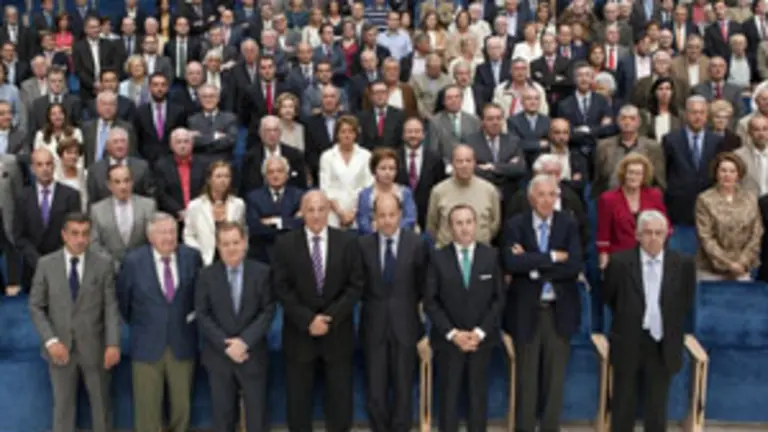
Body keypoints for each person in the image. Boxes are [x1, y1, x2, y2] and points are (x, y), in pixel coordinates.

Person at [272, 190, 364, 432]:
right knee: (299, 402)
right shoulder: (285, 244)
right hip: (300, 334)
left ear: (328, 212)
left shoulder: (347, 242)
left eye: (321, 209)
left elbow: (355, 286)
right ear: (302, 212)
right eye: (310, 210)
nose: (315, 215)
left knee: (340, 400)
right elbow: (281, 288)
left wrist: (329, 318)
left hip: (338, 333)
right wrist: (308, 320)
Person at [503, 174, 583, 432]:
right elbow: (511, 263)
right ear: (530, 198)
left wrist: (533, 265)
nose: (547, 200)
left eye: (552, 195)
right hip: (525, 310)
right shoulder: (515, 225)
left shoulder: (568, 224)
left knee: (554, 380)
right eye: (541, 194)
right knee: (526, 380)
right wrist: (550, 257)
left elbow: (573, 266)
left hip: (559, 311)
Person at [603, 210, 696, 432]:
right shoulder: (620, 262)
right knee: (623, 403)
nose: (653, 238)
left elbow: (685, 299)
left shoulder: (682, 264)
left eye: (658, 233)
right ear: (637, 235)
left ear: (667, 235)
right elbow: (609, 297)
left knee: (657, 407)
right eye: (648, 233)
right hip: (630, 339)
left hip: (663, 341)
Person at [28, 212, 120, 432]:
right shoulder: (46, 264)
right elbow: (35, 306)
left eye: (86, 234)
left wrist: (113, 343)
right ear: (64, 235)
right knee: (63, 410)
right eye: (75, 234)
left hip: (95, 348)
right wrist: (51, 341)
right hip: (60, 349)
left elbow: (110, 307)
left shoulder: (103, 264)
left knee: (102, 408)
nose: (81, 239)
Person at [117, 212, 203, 432]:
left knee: (182, 408)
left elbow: (199, 297)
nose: (168, 237)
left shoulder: (192, 257)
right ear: (150, 237)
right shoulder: (133, 262)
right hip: (146, 345)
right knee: (147, 411)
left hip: (182, 342)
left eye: (173, 232)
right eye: (162, 232)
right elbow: (124, 303)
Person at [423, 203, 505, 432]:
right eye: (459, 223)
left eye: (469, 222)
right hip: (448, 342)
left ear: (476, 224)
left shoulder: (491, 256)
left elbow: (498, 300)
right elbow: (431, 301)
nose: (465, 228)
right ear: (450, 227)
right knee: (448, 401)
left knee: (478, 400)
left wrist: (479, 333)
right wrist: (453, 334)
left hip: (482, 341)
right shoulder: (438, 258)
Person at [195, 221, 276, 432]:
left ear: (245, 243)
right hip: (219, 358)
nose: (231, 248)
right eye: (225, 244)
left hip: (252, 354)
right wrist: (226, 345)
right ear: (218, 246)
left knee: (257, 418)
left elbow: (268, 311)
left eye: (235, 242)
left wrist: (244, 342)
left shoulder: (262, 272)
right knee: (223, 418)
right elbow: (202, 315)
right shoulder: (206, 275)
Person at [358, 193, 428, 432]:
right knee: (376, 391)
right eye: (382, 216)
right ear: (373, 218)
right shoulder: (363, 245)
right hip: (374, 327)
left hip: (406, 326)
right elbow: (359, 286)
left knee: (403, 388)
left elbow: (423, 285)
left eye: (391, 215)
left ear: (400, 215)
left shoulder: (416, 244)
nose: (387, 221)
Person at [15, 148, 82, 289]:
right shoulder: (23, 197)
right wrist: (38, 261)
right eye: (39, 165)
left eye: (48, 164)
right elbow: (19, 237)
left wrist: (54, 261)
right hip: (32, 270)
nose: (45, 169)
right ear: (32, 169)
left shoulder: (71, 195)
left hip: (63, 268)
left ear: (54, 166)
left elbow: (75, 233)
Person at [695, 152, 763, 280]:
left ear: (738, 174)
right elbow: (705, 237)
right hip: (711, 270)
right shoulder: (704, 199)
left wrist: (742, 262)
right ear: (716, 173)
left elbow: (756, 233)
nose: (727, 175)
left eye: (732, 171)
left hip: (743, 268)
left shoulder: (750, 198)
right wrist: (729, 264)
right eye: (723, 171)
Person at [597, 153, 669, 270]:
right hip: (621, 258)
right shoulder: (608, 199)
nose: (633, 177)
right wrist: (604, 263)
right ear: (623, 174)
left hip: (650, 256)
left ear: (644, 176)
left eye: (638, 173)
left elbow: (666, 226)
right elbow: (603, 236)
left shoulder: (654, 195)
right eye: (630, 172)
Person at [426, 145, 501, 247]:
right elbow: (432, 226)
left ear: (474, 163)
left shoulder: (489, 190)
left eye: (468, 161)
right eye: (459, 161)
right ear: (452, 164)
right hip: (447, 253)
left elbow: (494, 224)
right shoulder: (438, 191)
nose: (464, 165)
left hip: (480, 253)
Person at [89, 164, 156, 269]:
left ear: (132, 182)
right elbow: (94, 244)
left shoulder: (148, 206)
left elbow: (154, 240)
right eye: (117, 182)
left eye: (126, 181)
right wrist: (114, 265)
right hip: (109, 270)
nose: (123, 186)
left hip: (141, 267)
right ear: (109, 185)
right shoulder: (97, 210)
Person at [184, 161, 246, 266]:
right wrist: (198, 253)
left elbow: (242, 232)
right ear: (209, 179)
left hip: (231, 258)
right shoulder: (195, 206)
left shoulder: (238, 204)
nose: (223, 180)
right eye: (219, 176)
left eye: (227, 176)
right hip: (205, 259)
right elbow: (188, 235)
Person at [245, 155, 305, 263]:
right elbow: (255, 228)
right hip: (263, 255)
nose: (275, 175)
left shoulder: (299, 196)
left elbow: (301, 225)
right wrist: (289, 222)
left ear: (287, 175)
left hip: (293, 253)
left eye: (279, 171)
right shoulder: (253, 197)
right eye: (271, 172)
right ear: (265, 176)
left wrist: (276, 221)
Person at [319, 114, 374, 229]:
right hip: (333, 213)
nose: (347, 135)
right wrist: (341, 213)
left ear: (356, 134)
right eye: (343, 131)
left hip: (359, 212)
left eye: (350, 131)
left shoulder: (366, 155)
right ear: (337, 134)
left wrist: (353, 213)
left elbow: (368, 186)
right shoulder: (327, 156)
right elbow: (325, 188)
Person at [356, 147, 417, 235]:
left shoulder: (405, 192)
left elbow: (410, 219)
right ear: (374, 170)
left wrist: (391, 229)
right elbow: (363, 222)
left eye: (392, 168)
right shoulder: (365, 195)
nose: (387, 172)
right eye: (383, 168)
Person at [53, 137, 88, 210]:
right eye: (69, 153)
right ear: (61, 154)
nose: (73, 156)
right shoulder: (54, 176)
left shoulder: (85, 174)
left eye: (76, 153)